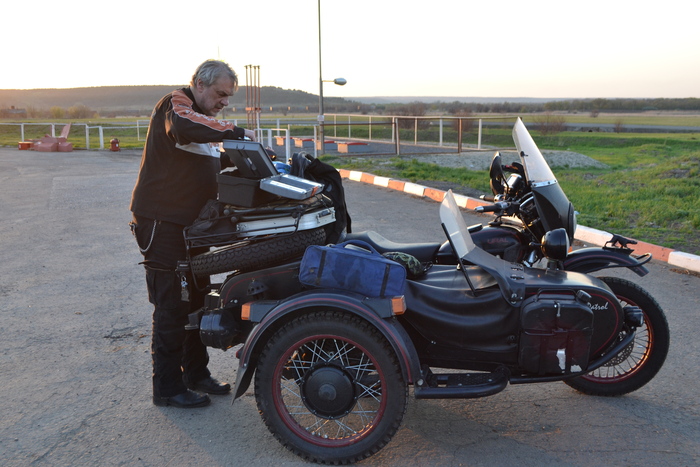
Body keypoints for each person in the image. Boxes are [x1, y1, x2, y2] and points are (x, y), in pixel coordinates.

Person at [130, 59, 255, 408]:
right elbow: (184, 126)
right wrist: (234, 132)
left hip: (191, 228)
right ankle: (167, 388)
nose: (224, 102)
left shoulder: (203, 122)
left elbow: (209, 162)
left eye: (229, 97)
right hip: (162, 222)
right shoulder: (177, 105)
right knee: (172, 304)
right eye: (220, 94)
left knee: (196, 300)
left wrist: (252, 159)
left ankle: (195, 374)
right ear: (200, 84)